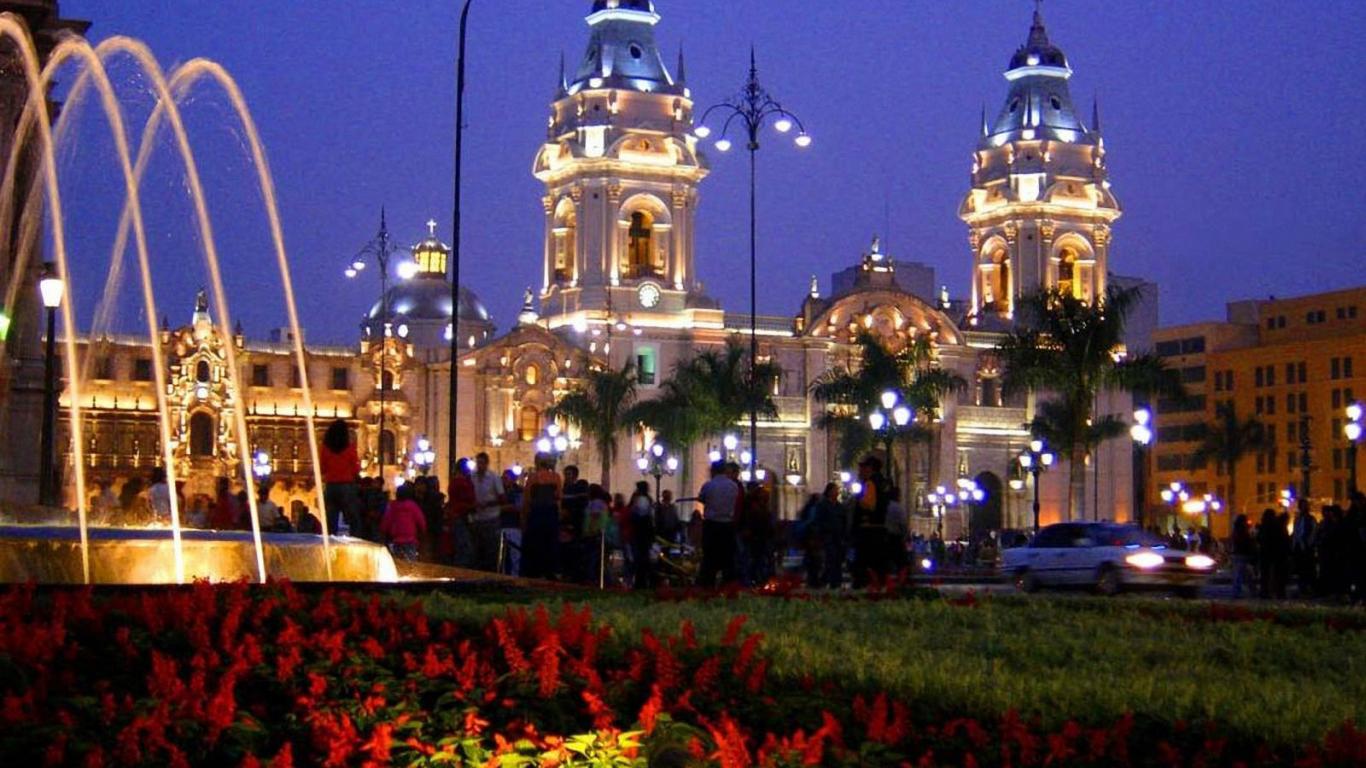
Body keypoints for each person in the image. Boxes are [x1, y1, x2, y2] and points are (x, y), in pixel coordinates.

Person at [696, 460, 740, 587]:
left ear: (713, 471)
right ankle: (728, 586)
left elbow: (702, 499)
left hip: (711, 525)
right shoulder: (733, 486)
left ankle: (707, 585)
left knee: (709, 558)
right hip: (727, 525)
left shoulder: (708, 485)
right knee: (728, 558)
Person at [520, 454, 562, 579]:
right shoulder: (556, 477)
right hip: (551, 514)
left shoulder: (533, 478)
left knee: (535, 544)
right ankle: (550, 571)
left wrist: (523, 519)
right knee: (550, 543)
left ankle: (535, 572)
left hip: (536, 513)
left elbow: (527, 499)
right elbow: (559, 497)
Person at [851, 455, 891, 588]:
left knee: (864, 561)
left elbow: (869, 505)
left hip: (868, 529)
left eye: (862, 467)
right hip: (880, 528)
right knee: (878, 562)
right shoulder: (884, 483)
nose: (860, 471)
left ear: (870, 468)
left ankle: (863, 586)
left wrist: (857, 500)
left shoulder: (870, 483)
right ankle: (879, 585)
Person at [319, 419, 361, 536]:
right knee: (353, 518)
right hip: (346, 485)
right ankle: (355, 540)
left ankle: (330, 541)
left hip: (331, 486)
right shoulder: (350, 448)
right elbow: (355, 468)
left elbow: (322, 468)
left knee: (331, 519)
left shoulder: (324, 449)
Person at [468, 453, 505, 572]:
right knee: (477, 551)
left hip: (491, 518)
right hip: (477, 518)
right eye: (478, 463)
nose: (480, 466)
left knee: (491, 550)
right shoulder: (472, 476)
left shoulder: (494, 477)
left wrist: (487, 504)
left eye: (482, 463)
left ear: (486, 464)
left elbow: (502, 498)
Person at [379, 482, 427, 561]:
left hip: (396, 539)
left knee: (398, 561)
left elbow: (387, 520)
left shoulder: (393, 506)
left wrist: (383, 531)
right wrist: (423, 530)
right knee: (410, 561)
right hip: (411, 539)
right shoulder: (413, 506)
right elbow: (420, 519)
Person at [445, 459, 476, 566]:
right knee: (464, 547)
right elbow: (468, 498)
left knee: (462, 546)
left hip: (459, 516)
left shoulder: (456, 482)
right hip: (461, 516)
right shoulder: (461, 483)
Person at [629, 481, 656, 589]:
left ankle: (641, 581)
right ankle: (644, 580)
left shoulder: (640, 500)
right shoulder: (647, 500)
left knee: (641, 557)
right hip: (645, 531)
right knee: (643, 557)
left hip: (641, 531)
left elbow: (640, 514)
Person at [1230, 513, 1256, 598]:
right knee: (1242, 573)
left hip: (1238, 553)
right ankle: (1238, 592)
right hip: (1242, 554)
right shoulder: (1243, 531)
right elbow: (1246, 542)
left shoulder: (1236, 530)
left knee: (1243, 573)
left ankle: (1250, 590)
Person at [885, 486, 909, 575]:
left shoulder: (885, 506)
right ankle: (900, 579)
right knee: (902, 563)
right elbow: (903, 524)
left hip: (884, 536)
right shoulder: (898, 508)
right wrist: (905, 536)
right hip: (895, 537)